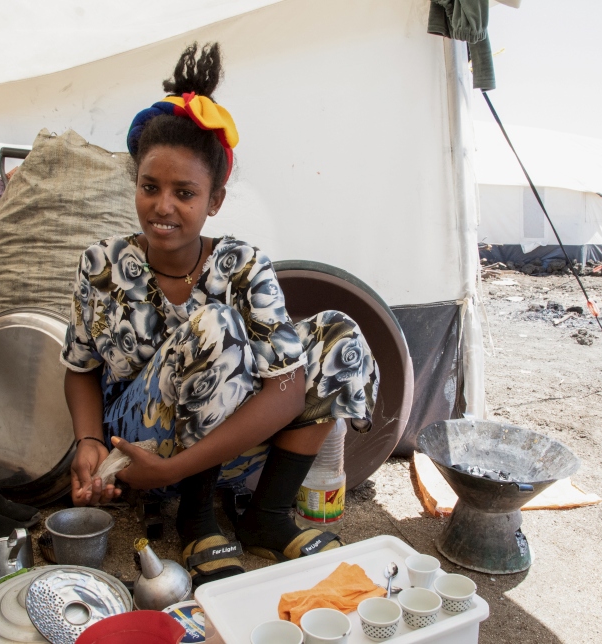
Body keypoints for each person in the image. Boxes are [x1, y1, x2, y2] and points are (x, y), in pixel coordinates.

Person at [61, 42, 379, 585]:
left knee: (337, 335)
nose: (163, 206)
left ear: (214, 201)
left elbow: (288, 386)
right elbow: (80, 368)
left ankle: (266, 515)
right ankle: (196, 516)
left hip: (219, 453)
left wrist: (177, 464)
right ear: (134, 185)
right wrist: (90, 443)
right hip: (138, 449)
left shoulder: (242, 265)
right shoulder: (102, 265)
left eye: (184, 192)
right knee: (215, 327)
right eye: (150, 187)